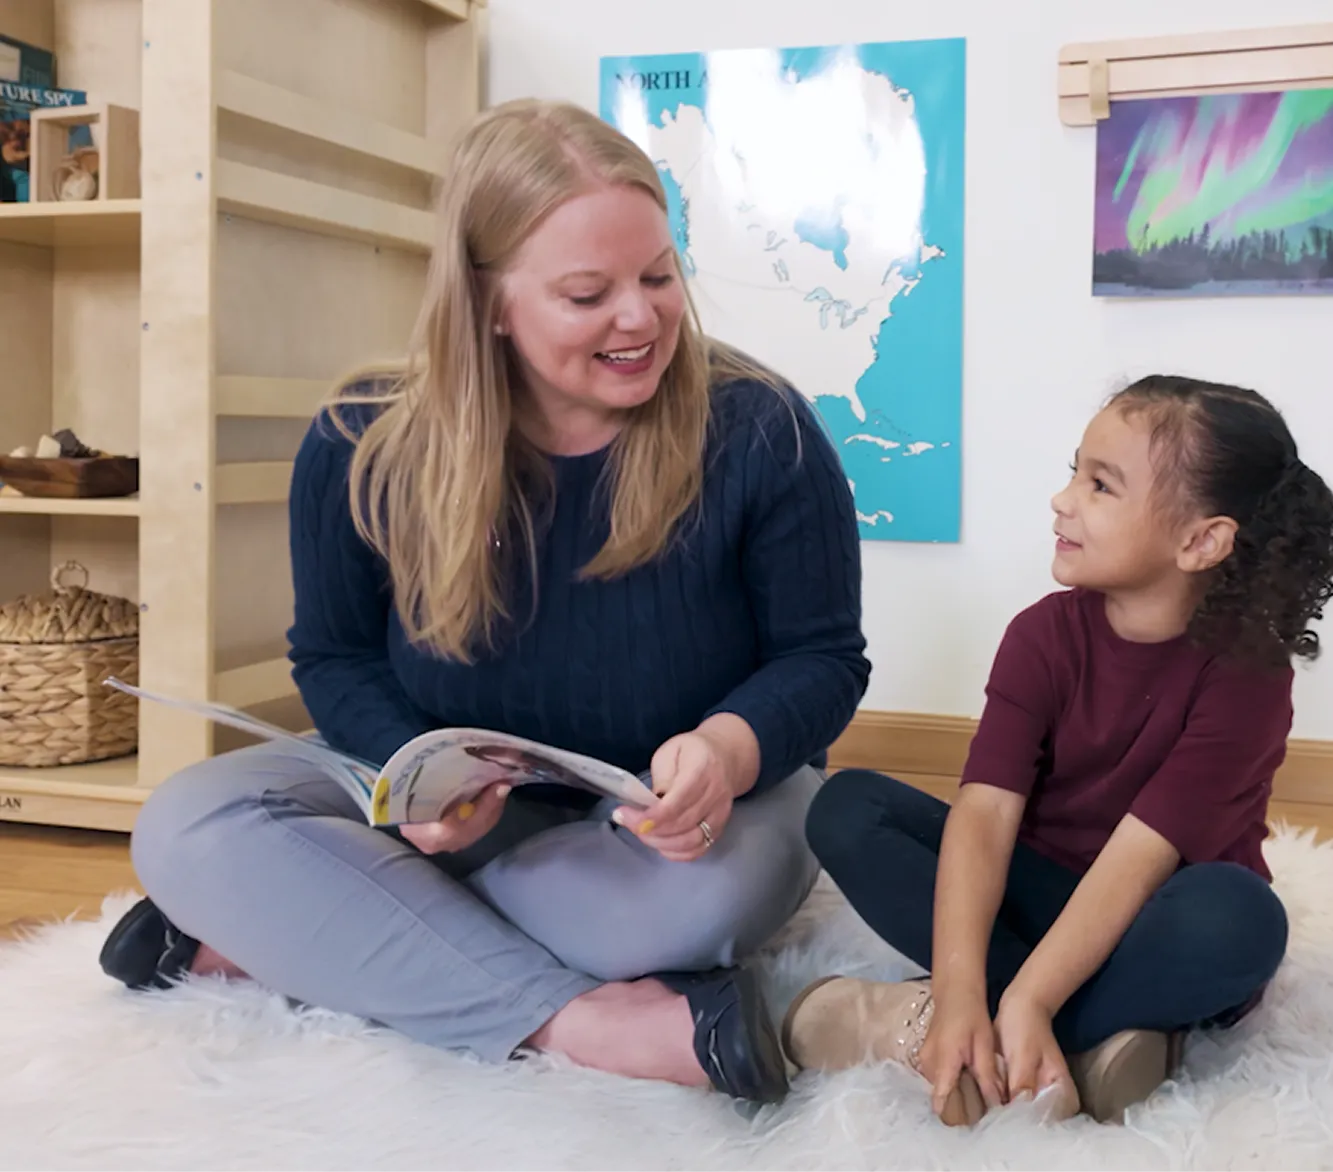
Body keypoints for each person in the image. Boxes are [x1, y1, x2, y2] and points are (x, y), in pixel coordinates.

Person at [96, 98, 870, 1106]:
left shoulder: (760, 429)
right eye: (588, 293)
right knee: (185, 825)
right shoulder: (361, 442)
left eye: (658, 274)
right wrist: (411, 790)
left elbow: (823, 658)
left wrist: (727, 748)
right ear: (489, 302)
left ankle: (325, 932)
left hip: (666, 827)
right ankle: (586, 1022)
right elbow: (334, 659)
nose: (640, 317)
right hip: (449, 816)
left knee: (678, 919)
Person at [784, 375, 1333, 1126]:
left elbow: (1140, 860)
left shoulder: (1249, 678)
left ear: (1199, 540)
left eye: (1100, 485)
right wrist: (958, 992)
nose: (1062, 499)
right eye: (1073, 471)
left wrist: (1032, 998)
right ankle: (1067, 1036)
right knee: (846, 807)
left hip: (1154, 913)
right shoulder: (1041, 635)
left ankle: (970, 1027)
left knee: (1241, 919)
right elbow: (981, 816)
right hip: (1036, 898)